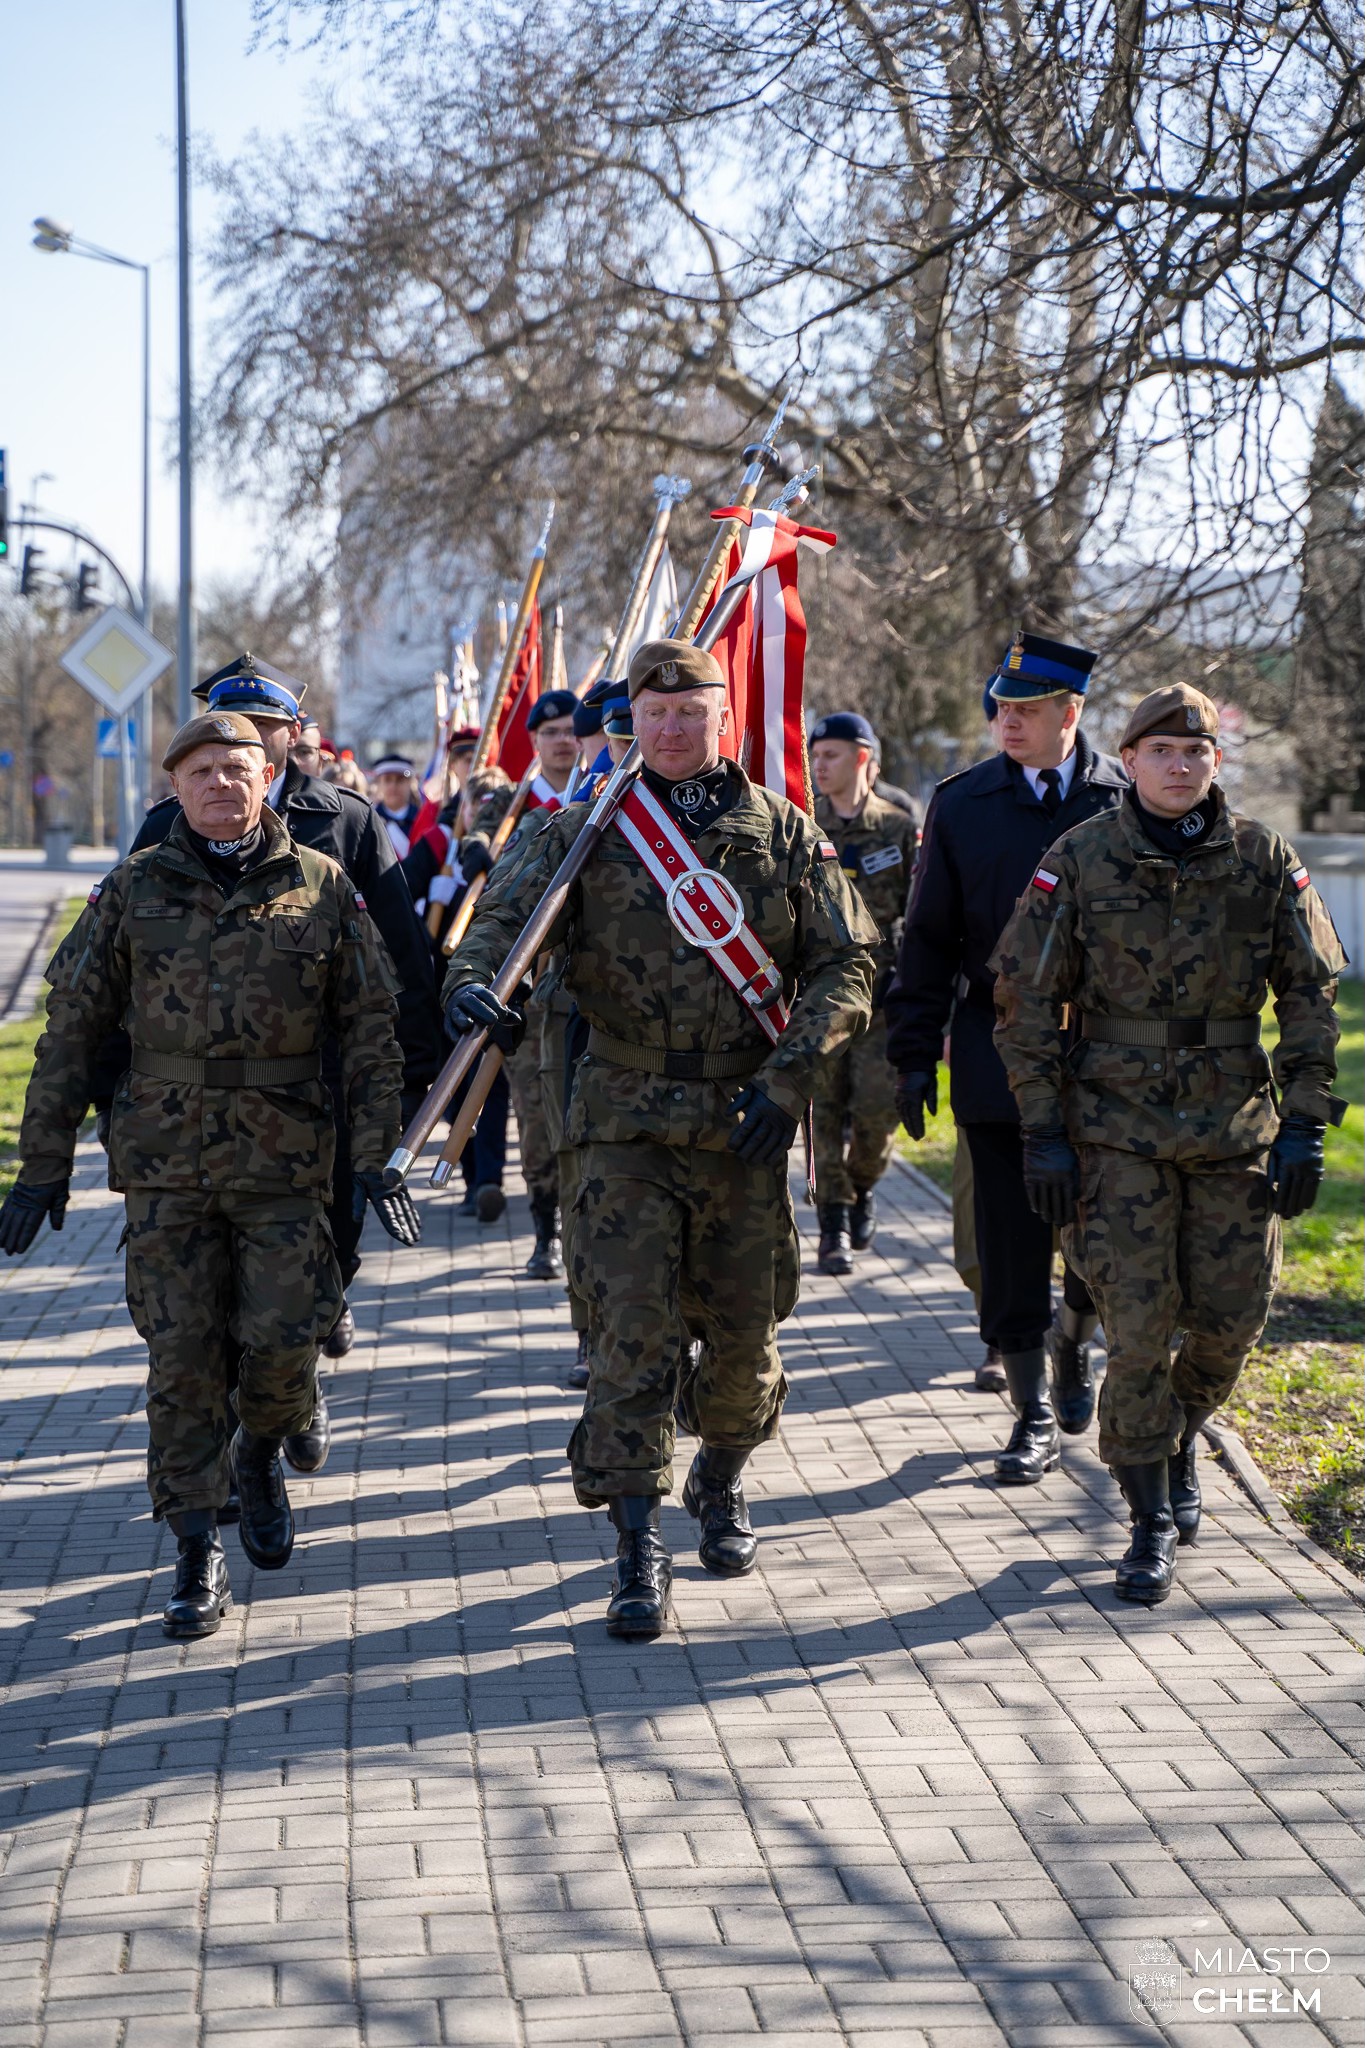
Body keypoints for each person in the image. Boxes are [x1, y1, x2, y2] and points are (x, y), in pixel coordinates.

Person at [443, 638, 877, 1639]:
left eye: (691, 711)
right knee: (627, 1333)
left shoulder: (781, 831)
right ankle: (636, 1540)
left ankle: (718, 1475)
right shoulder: (584, 828)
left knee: (743, 1337)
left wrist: (790, 1079)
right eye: (654, 712)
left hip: (742, 1119)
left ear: (724, 716)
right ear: (630, 721)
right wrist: (472, 984)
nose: (672, 727)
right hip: (620, 1119)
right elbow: (498, 920)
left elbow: (847, 963)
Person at [0, 712, 417, 1638]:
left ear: (268, 777)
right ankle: (196, 1551)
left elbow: (370, 1035)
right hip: (167, 1167)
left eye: (237, 768)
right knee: (181, 1360)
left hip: (285, 1162)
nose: (221, 784)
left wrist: (375, 1158)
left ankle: (261, 1447)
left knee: (286, 1339)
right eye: (201, 772)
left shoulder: (322, 885)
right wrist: (42, 1168)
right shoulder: (133, 889)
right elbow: (70, 1033)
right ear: (174, 787)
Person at [993, 683, 1346, 1603]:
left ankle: (1175, 1435)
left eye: (1195, 752)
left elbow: (1309, 993)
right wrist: (1042, 1131)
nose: (1179, 766)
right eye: (1160, 751)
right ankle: (1148, 1515)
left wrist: (1305, 1123)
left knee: (1232, 1319)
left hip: (1232, 1126)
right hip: (1112, 1130)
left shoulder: (1262, 857)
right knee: (1141, 1328)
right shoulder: (1080, 856)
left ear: (1214, 762)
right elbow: (1024, 1001)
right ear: (1131, 761)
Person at [114, 655, 442, 1443]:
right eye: (231, 723)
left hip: (321, 1085)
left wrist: (416, 1079)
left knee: (330, 1244)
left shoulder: (347, 821)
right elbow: (126, 963)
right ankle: (248, 1420)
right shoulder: (169, 823)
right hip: (203, 1101)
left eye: (264, 726)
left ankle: (300, 1363)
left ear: (293, 735)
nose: (246, 737)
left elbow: (398, 957)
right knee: (218, 1280)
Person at [885, 632, 1125, 1469]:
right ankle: (1029, 1412)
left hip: (1106, 1055)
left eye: (1026, 709)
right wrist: (912, 1053)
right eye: (1000, 708)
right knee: (1008, 1238)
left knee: (1102, 1229)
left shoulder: (1122, 797)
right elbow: (927, 937)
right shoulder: (963, 803)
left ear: (1071, 711)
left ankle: (1074, 1339)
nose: (1006, 721)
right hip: (996, 1050)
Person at [808, 712, 921, 1272]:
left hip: (881, 999)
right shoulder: (806, 825)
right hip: (822, 999)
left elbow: (919, 913)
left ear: (861, 758)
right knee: (824, 1111)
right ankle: (832, 1224)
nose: (818, 766)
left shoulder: (898, 829)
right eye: (814, 756)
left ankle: (863, 1185)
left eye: (830, 755)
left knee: (878, 1111)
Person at [370, 755, 422, 856]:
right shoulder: (370, 820)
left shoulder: (421, 818)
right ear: (379, 783)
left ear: (410, 783)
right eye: (387, 780)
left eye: (400, 779)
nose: (393, 786)